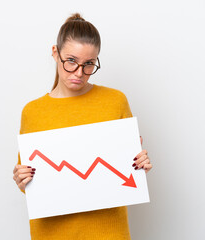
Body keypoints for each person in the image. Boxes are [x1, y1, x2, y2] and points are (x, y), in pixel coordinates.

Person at [13, 13, 152, 240]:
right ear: (55, 53)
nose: (79, 73)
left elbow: (128, 170)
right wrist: (21, 177)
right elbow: (28, 182)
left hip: (109, 233)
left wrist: (140, 165)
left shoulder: (115, 101)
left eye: (89, 64)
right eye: (71, 61)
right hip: (52, 233)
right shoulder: (33, 111)